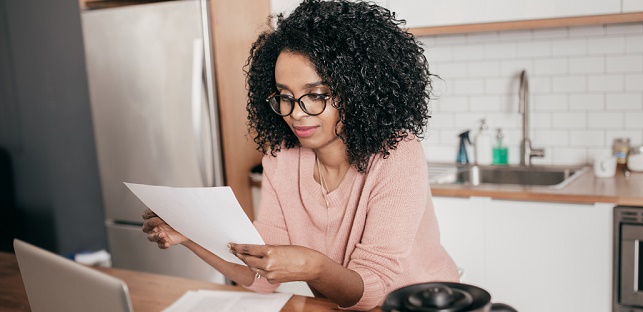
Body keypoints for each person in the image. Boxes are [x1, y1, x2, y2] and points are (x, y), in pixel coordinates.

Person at [141, 0, 459, 310]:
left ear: (358, 91)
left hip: (427, 304)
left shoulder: (396, 154)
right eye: (285, 97)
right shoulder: (282, 159)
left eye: (315, 95)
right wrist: (191, 235)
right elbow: (260, 276)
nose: (296, 114)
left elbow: (372, 290)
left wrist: (314, 267)